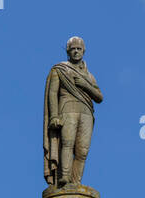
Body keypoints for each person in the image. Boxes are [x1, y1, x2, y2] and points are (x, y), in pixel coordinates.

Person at [44, 36, 103, 188]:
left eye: (79, 49)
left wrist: (86, 85)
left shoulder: (89, 76)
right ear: (68, 52)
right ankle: (64, 177)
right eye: (73, 49)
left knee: (82, 150)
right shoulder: (60, 69)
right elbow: (52, 93)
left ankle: (76, 182)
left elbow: (99, 97)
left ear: (84, 51)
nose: (76, 52)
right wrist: (54, 116)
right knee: (67, 144)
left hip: (86, 112)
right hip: (67, 108)